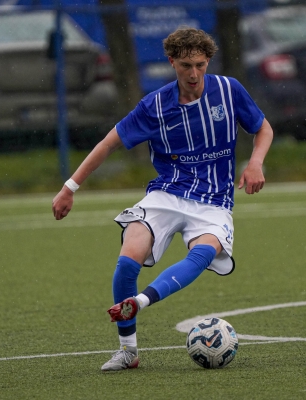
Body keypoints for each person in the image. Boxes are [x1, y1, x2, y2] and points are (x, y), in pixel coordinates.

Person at [52, 27, 274, 372]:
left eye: (200, 65)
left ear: (208, 61)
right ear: (172, 62)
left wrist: (256, 162)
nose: (194, 73)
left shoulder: (229, 90)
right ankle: (128, 351)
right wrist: (70, 187)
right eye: (186, 65)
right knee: (128, 260)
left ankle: (141, 301)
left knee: (204, 252)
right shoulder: (154, 106)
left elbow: (263, 128)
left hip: (214, 201)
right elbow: (108, 144)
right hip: (167, 194)